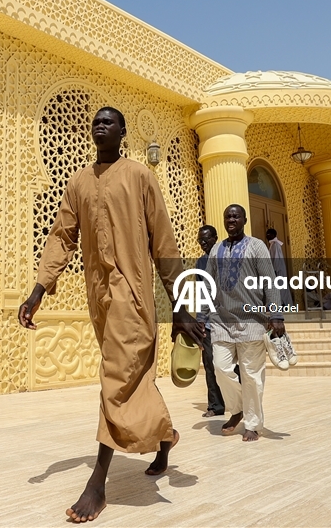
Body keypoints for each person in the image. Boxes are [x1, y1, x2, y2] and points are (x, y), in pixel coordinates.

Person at [18, 107, 204, 523]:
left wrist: (181, 307)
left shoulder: (140, 176)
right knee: (128, 375)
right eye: (96, 120)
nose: (100, 124)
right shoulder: (79, 182)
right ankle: (166, 436)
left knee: (115, 380)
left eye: (109, 120)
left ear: (122, 132)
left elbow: (165, 244)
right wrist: (37, 291)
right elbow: (62, 236)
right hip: (99, 298)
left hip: (134, 295)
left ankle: (97, 483)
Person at [204, 204, 283, 442]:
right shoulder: (217, 248)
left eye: (236, 216)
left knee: (251, 375)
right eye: (228, 216)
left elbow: (270, 281)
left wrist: (276, 314)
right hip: (221, 321)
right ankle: (237, 408)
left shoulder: (257, 246)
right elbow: (208, 282)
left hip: (252, 320)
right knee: (221, 368)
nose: (231, 219)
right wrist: (201, 316)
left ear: (244, 220)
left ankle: (252, 423)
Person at [195, 225, 226, 418]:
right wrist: (200, 320)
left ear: (215, 238)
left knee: (230, 366)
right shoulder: (200, 263)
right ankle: (215, 405)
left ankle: (237, 402)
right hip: (208, 322)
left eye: (206, 239)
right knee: (209, 364)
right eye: (200, 240)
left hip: (227, 321)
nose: (203, 243)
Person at [265, 228, 294, 306]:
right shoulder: (272, 244)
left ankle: (284, 305)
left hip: (278, 271)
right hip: (276, 271)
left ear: (274, 235)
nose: (267, 236)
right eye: (267, 234)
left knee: (280, 289)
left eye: (269, 234)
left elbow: (277, 259)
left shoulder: (275, 245)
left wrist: (275, 271)